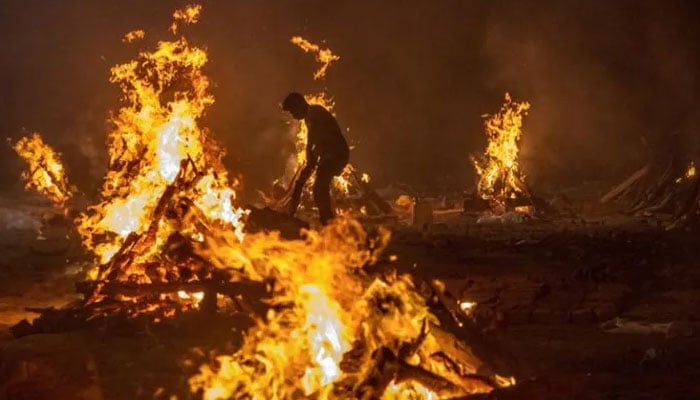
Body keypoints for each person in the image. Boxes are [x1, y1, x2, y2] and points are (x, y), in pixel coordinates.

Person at [282, 92, 349, 225]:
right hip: (330, 155)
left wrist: (310, 158)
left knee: (319, 187)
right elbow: (314, 142)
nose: (293, 116)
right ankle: (327, 220)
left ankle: (328, 223)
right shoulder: (310, 117)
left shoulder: (314, 112)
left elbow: (312, 140)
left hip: (335, 154)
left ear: (299, 105)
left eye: (292, 111)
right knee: (319, 187)